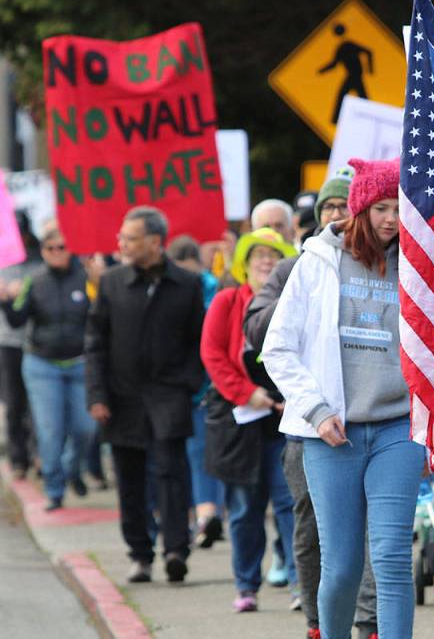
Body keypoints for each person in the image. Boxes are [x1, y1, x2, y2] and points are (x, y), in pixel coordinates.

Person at [263, 158, 425, 638]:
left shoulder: (417, 263)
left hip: (398, 427)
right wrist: (316, 410)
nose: (391, 219)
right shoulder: (318, 261)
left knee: (392, 556)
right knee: (341, 566)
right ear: (360, 208)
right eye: (381, 208)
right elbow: (278, 348)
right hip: (332, 434)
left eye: (398, 208)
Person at [245, 167, 380, 638]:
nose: (337, 213)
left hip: (371, 419)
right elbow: (257, 329)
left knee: (372, 531)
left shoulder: (380, 261)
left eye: (345, 206)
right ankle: (317, 622)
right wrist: (303, 303)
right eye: (329, 207)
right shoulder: (297, 266)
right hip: (310, 424)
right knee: (311, 525)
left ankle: (369, 620)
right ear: (318, 215)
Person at [85, 206, 206, 585]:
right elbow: (95, 343)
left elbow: (198, 341)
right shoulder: (112, 283)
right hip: (122, 398)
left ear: (155, 242)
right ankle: (140, 554)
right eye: (122, 237)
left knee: (172, 473)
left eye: (130, 238)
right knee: (130, 479)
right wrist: (97, 395)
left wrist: (188, 383)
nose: (121, 243)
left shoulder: (185, 284)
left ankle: (175, 550)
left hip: (169, 395)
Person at [201, 226, 298, 612]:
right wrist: (248, 394)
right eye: (258, 255)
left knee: (291, 504)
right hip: (240, 425)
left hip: (286, 422)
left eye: (273, 256)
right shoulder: (227, 301)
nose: (266, 261)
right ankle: (246, 586)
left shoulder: (294, 300)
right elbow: (212, 355)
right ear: (244, 261)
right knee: (244, 509)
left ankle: (300, 584)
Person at [0, 221, 97, 511]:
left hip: (79, 364)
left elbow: (101, 315)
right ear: (42, 251)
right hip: (42, 365)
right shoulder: (34, 280)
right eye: (49, 248)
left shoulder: (85, 278)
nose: (56, 252)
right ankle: (54, 489)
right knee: (50, 428)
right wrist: (6, 301)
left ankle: (71, 467)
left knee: (86, 428)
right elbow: (17, 320)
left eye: (61, 247)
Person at [167, 234, 224, 548]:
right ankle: (198, 517)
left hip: (205, 387)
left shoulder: (212, 289)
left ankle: (206, 515)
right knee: (189, 455)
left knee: (201, 453)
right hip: (182, 387)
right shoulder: (170, 289)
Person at [0, 211, 41, 475]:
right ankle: (18, 459)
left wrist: (24, 290)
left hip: (35, 340)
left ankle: (38, 455)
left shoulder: (39, 260)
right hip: (7, 341)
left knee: (36, 405)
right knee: (13, 403)